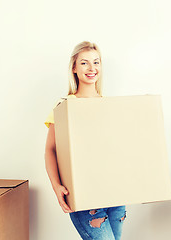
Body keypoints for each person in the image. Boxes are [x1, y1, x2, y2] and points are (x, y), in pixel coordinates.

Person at [44, 41, 126, 240]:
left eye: (96, 62)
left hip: (115, 195)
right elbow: (50, 150)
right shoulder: (64, 106)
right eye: (84, 63)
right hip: (85, 196)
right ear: (74, 67)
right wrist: (56, 187)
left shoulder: (109, 106)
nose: (92, 68)